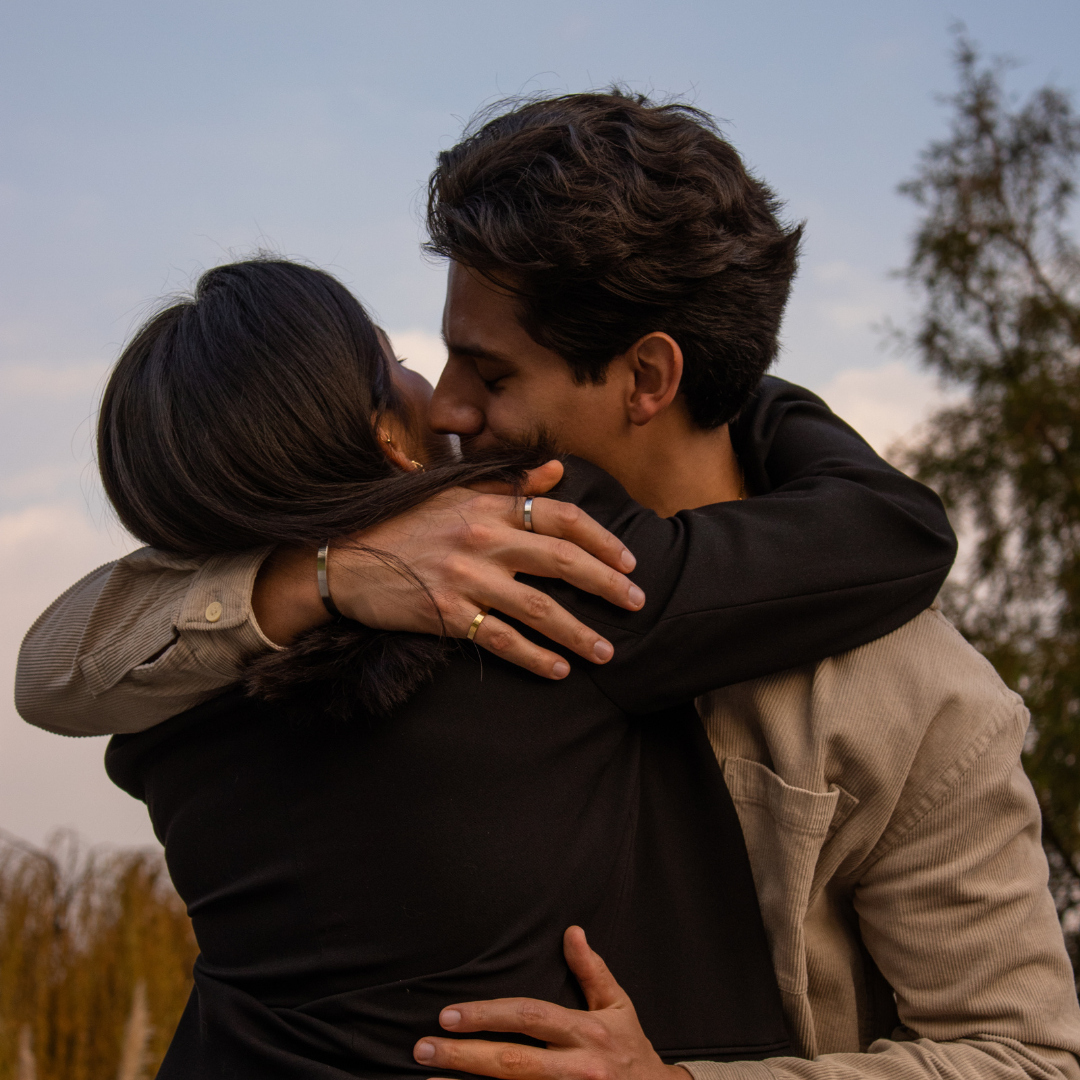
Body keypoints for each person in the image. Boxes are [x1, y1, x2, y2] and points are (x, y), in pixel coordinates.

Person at [17, 89, 1079, 1079]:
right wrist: (323, 575)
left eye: (491, 374)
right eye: (437, 358)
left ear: (648, 377)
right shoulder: (406, 586)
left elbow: (1023, 1058)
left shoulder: (910, 694)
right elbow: (57, 664)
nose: (447, 409)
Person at [95, 255, 897, 1077]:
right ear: (383, 435)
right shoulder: (536, 570)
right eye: (399, 362)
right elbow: (888, 527)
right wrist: (740, 385)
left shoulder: (158, 704)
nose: (443, 399)